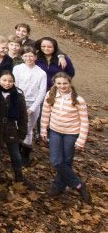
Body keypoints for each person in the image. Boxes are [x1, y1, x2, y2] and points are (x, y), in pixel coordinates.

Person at [40, 73, 90, 201]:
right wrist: (43, 130)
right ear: (55, 83)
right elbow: (45, 113)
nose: (62, 86)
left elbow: (84, 121)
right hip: (55, 131)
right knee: (56, 160)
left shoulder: (78, 100)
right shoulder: (50, 95)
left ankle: (58, 186)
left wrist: (81, 140)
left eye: (65, 83)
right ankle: (78, 184)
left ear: (70, 83)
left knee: (67, 162)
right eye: (59, 83)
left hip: (71, 134)